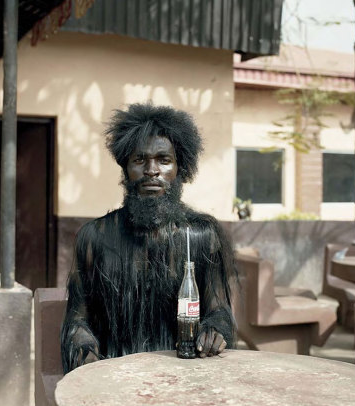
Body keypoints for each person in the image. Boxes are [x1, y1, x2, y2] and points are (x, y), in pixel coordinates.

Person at [61, 102, 236, 374]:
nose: (151, 170)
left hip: (187, 372)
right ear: (125, 168)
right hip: (116, 374)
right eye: (139, 160)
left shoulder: (202, 234)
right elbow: (78, 319)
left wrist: (215, 330)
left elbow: (219, 311)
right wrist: (86, 354)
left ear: (180, 168)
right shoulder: (94, 238)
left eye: (164, 160)